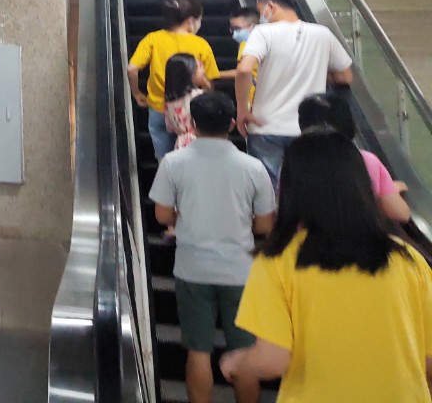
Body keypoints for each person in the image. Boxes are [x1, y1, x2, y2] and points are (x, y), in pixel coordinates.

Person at [220, 129, 432, 403]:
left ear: (291, 191)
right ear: (361, 187)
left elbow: (272, 360)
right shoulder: (407, 258)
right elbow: (428, 360)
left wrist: (238, 361)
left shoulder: (278, 261)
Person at [150, 92, 275, 403]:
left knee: (198, 350)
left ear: (192, 123)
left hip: (192, 269)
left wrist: (186, 216)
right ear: (232, 124)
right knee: (244, 351)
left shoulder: (173, 163)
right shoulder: (253, 167)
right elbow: (265, 225)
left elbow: (162, 215)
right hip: (240, 271)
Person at [236, 0, 353, 182]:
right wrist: (317, 69)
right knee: (306, 188)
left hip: (266, 127)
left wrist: (242, 110)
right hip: (308, 127)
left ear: (271, 6)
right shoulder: (323, 34)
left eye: (260, 11)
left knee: (270, 190)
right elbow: (345, 77)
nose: (261, 17)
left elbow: (244, 69)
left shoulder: (263, 32)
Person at [127, 0, 220, 161]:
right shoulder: (201, 44)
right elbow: (209, 82)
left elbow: (132, 68)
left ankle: (167, 175)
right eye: (200, 20)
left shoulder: (153, 38)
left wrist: (136, 93)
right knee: (193, 158)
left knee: (164, 157)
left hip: (159, 107)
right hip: (190, 111)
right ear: (191, 21)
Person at [298, 92, 410, 224]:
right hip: (359, 234)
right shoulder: (366, 160)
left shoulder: (296, 163)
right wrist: (392, 189)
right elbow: (400, 213)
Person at [163, 53, 208, 152]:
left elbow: (170, 128)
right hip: (200, 144)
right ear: (189, 73)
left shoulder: (169, 101)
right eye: (200, 66)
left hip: (181, 144)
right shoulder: (200, 96)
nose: (204, 69)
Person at [218, 6, 260, 83]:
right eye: (232, 29)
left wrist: (215, 74)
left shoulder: (246, 45)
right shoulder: (264, 44)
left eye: (237, 29)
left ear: (253, 27)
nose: (234, 33)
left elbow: (242, 72)